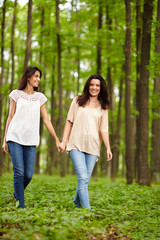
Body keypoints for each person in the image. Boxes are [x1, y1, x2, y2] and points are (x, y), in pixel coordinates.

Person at [2, 65, 60, 208]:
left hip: (31, 139)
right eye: (36, 76)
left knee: (28, 175)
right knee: (19, 172)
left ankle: (16, 195)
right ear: (28, 77)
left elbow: (46, 119)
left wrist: (57, 139)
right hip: (14, 136)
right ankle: (21, 206)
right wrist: (5, 140)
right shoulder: (16, 94)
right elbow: (10, 117)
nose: (38, 79)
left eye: (39, 77)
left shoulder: (40, 98)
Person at [59, 74, 112, 209]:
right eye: (92, 84)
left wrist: (108, 148)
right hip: (76, 144)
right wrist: (64, 141)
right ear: (88, 86)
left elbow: (104, 129)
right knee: (82, 178)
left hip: (93, 147)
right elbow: (69, 122)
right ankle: (87, 211)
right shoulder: (77, 100)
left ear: (101, 88)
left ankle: (77, 204)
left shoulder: (103, 106)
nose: (94, 87)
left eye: (97, 85)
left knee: (84, 180)